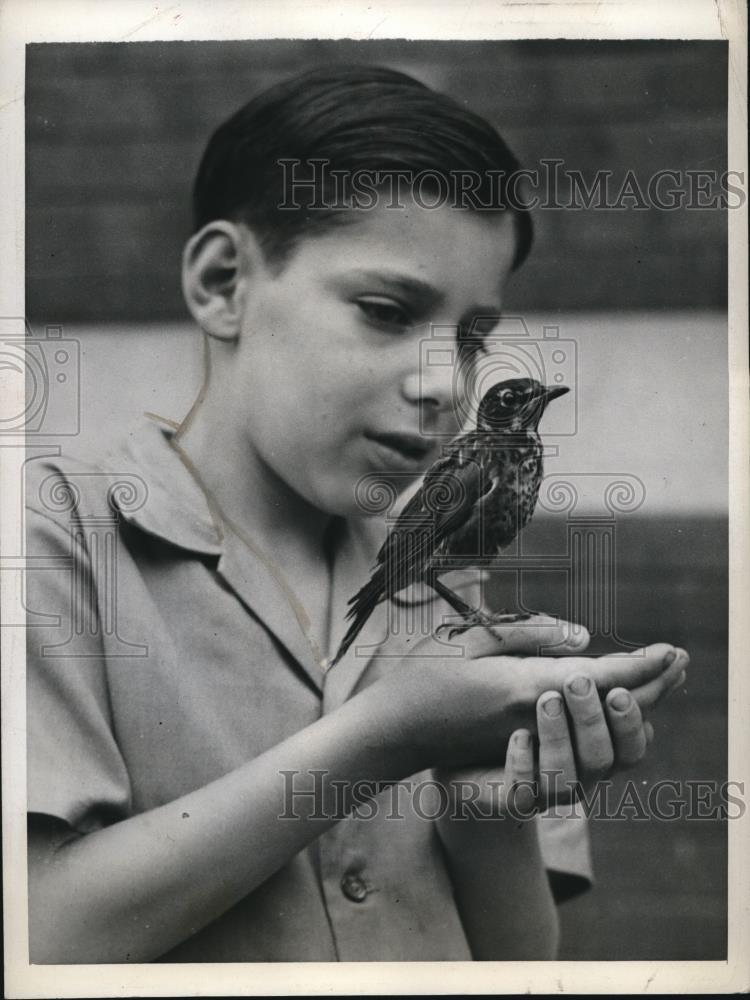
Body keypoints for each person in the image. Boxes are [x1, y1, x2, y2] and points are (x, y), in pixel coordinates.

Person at [25, 65, 688, 964]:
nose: (445, 385)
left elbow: (523, 965)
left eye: (473, 339)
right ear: (225, 283)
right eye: (386, 312)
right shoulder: (54, 531)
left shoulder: (454, 583)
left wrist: (482, 809)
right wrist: (384, 737)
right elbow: (32, 939)